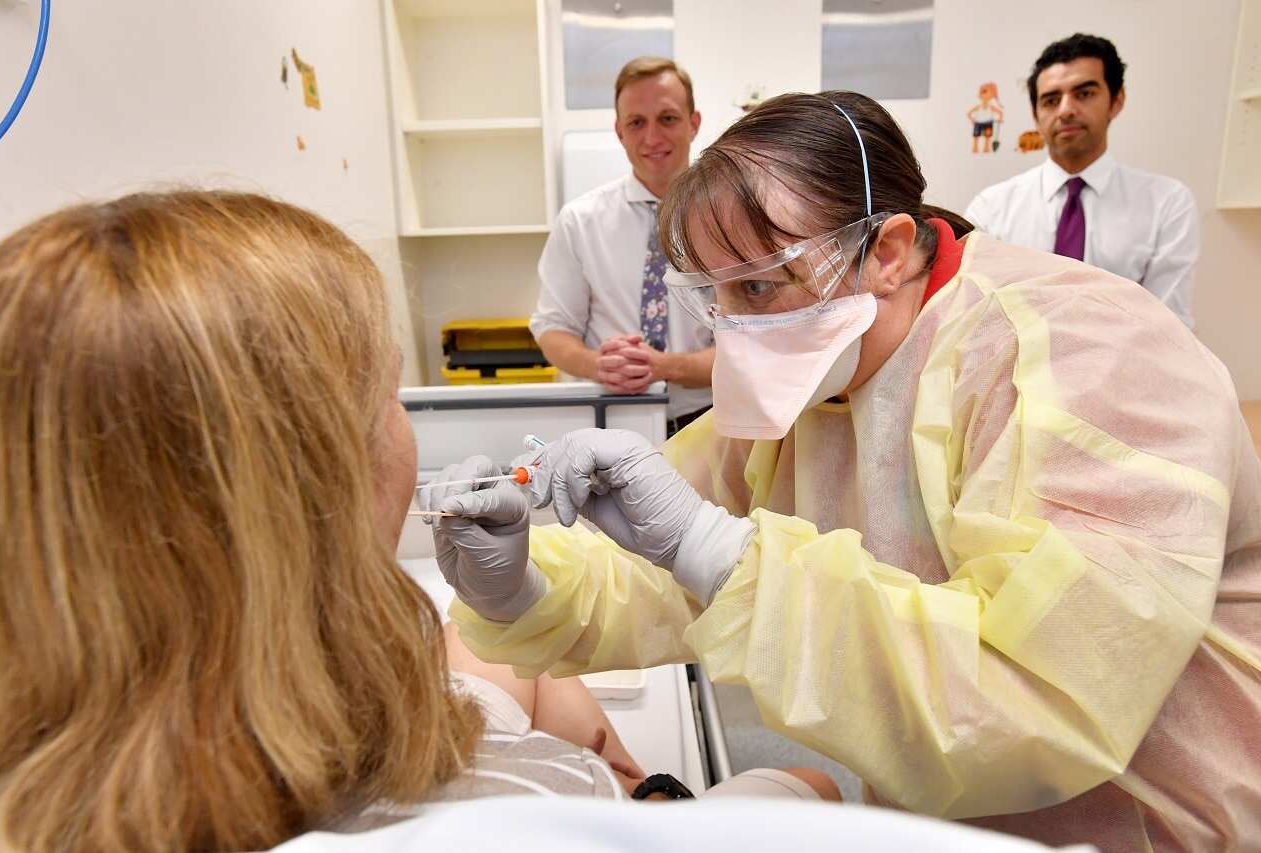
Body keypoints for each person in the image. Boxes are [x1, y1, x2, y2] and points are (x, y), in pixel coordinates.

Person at [426, 92, 1261, 851]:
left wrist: (718, 551)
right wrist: (522, 585)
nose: (731, 329)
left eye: (759, 287)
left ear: (887, 250)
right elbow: (664, 569)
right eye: (713, 297)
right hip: (940, 816)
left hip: (1161, 824)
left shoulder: (1089, 355)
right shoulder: (817, 374)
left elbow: (1036, 697)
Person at [0, 191, 838, 851]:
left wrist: (520, 596)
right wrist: (639, 804)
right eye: (387, 394)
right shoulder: (526, 808)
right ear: (316, 483)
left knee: (475, 647)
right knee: (807, 786)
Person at [531, 57, 715, 436]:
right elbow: (553, 330)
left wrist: (666, 367)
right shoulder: (579, 222)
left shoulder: (729, 220)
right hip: (611, 423)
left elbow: (749, 343)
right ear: (619, 131)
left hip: (709, 424)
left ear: (693, 123)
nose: (652, 138)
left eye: (667, 118)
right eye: (636, 123)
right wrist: (598, 365)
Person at [964, 34, 1199, 328]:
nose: (1066, 110)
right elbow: (972, 318)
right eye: (1051, 100)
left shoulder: (1167, 204)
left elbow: (1169, 327)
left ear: (1116, 101)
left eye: (1084, 94)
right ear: (1036, 115)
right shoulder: (990, 209)